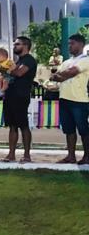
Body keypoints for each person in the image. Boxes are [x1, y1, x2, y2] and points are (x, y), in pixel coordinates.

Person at [49, 33, 89, 164]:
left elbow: (70, 73)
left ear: (81, 44)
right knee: (69, 129)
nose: (69, 46)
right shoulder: (66, 62)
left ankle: (87, 156)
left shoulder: (86, 60)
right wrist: (59, 76)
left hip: (79, 100)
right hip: (64, 98)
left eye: (72, 43)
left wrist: (60, 75)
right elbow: (57, 76)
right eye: (69, 44)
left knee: (83, 130)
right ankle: (71, 156)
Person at [3, 36, 37, 163]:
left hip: (21, 96)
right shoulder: (18, 61)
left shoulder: (29, 60)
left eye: (17, 44)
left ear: (25, 46)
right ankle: (11, 154)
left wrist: (7, 70)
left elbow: (19, 73)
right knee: (12, 126)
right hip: (10, 95)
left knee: (23, 125)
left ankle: (27, 155)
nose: (14, 46)